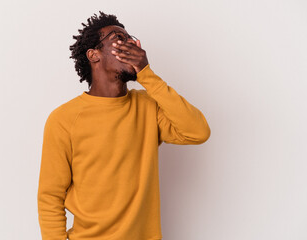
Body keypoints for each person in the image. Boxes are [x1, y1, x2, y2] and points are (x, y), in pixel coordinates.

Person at [37, 11, 211, 240]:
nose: (130, 44)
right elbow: (50, 197)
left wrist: (147, 75)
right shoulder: (63, 119)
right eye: (118, 38)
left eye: (131, 39)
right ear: (93, 55)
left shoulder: (148, 107)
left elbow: (198, 132)